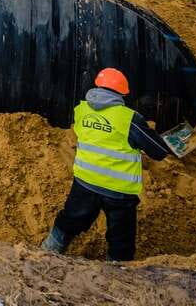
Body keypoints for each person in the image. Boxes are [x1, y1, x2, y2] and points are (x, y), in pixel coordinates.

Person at [42, 68, 170, 262]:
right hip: (118, 191)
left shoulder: (81, 110)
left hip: (85, 182)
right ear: (122, 93)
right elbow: (158, 151)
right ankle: (118, 271)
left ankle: (45, 252)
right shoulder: (129, 119)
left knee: (69, 221)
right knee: (121, 239)